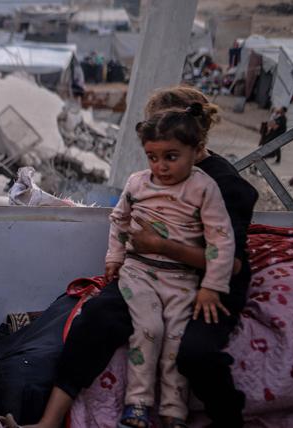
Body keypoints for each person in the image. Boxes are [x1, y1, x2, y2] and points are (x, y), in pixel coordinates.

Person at [6, 86, 258, 428]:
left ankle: (230, 420)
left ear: (194, 137)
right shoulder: (149, 178)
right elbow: (122, 220)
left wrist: (163, 247)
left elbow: (234, 263)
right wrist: (119, 256)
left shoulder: (224, 186)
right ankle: (47, 422)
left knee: (196, 354)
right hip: (149, 273)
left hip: (205, 282)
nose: (158, 158)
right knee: (96, 318)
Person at [105, 105, 235, 428]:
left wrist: (211, 287)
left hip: (182, 280)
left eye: (171, 157)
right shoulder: (137, 184)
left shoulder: (205, 188)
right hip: (139, 273)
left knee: (177, 339)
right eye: (152, 157)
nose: (160, 166)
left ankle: (174, 412)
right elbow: (119, 220)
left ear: (195, 151)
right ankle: (137, 403)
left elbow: (221, 239)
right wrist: (114, 259)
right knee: (149, 330)